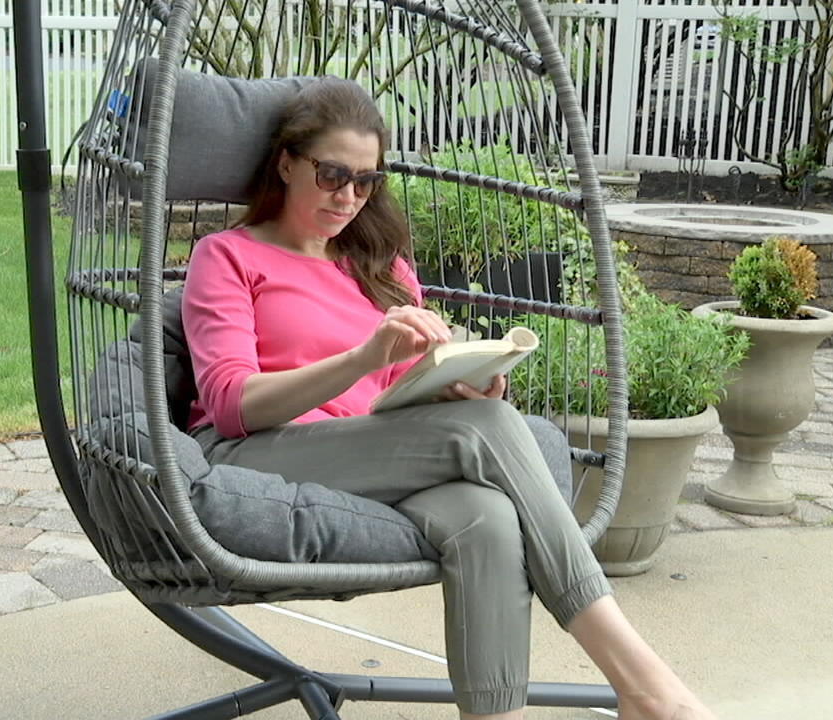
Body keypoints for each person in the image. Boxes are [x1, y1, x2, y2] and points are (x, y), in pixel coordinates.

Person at [180, 76, 717, 720]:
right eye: (330, 174)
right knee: (482, 428)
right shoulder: (229, 256)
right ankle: (644, 684)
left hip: (374, 455)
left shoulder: (379, 265)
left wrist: (460, 383)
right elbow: (233, 402)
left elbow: (395, 392)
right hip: (254, 456)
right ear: (287, 163)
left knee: (485, 517)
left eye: (366, 181)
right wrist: (363, 357)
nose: (348, 196)